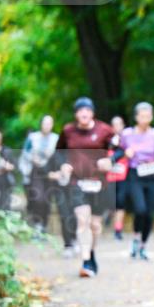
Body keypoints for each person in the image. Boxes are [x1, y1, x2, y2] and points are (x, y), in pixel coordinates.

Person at [54, 97, 118, 278]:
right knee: (83, 220)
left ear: (92, 113)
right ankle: (85, 260)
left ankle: (92, 253)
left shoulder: (105, 130)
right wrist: (63, 164)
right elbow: (58, 152)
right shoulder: (68, 131)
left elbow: (122, 148)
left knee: (95, 225)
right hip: (77, 182)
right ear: (76, 114)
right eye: (80, 110)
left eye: (87, 110)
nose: (84, 113)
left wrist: (111, 160)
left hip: (99, 183)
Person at [121, 103, 154, 260]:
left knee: (149, 213)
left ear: (152, 117)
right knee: (140, 209)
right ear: (136, 117)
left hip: (152, 176)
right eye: (142, 116)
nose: (145, 119)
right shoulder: (127, 134)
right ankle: (136, 237)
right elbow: (117, 153)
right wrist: (126, 153)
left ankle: (143, 245)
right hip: (135, 175)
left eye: (148, 116)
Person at [18, 115, 59, 232]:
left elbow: (60, 155)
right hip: (36, 171)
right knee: (38, 197)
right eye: (45, 123)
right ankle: (37, 223)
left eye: (50, 123)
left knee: (47, 199)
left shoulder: (56, 138)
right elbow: (25, 152)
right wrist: (32, 158)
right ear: (41, 124)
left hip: (50, 171)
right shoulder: (33, 137)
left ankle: (44, 225)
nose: (47, 126)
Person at [106, 115, 130, 240]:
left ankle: (118, 230)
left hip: (124, 176)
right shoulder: (106, 139)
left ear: (123, 125)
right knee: (111, 202)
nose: (117, 127)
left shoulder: (128, 139)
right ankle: (109, 213)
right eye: (114, 125)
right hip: (109, 177)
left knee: (120, 202)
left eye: (119, 124)